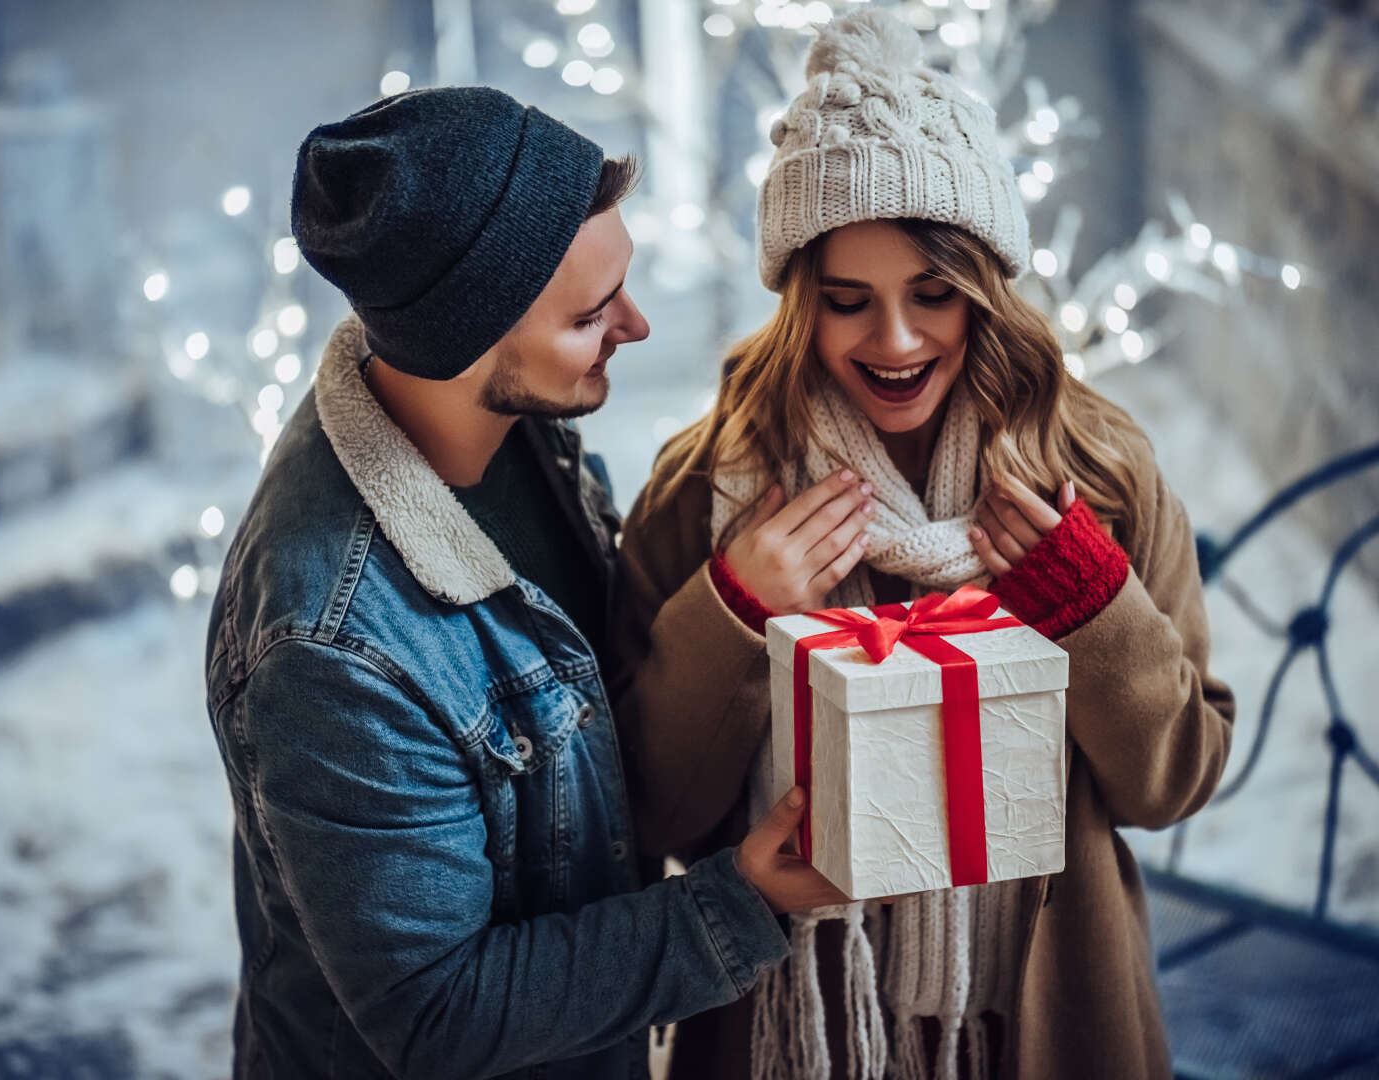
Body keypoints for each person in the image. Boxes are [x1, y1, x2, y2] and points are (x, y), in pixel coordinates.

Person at [609, 11, 1236, 1080]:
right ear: (798, 299)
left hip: (1043, 1016)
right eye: (848, 302)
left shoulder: (1098, 472)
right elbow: (651, 813)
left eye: (934, 295)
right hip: (788, 1021)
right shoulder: (707, 486)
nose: (895, 342)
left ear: (987, 288)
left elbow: (1172, 783)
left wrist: (1093, 612)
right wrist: (731, 614)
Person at [203, 86, 845, 1080]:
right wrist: (741, 903)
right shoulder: (329, 647)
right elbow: (436, 1013)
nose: (635, 324)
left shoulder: (517, 432)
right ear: (465, 338)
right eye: (591, 315)